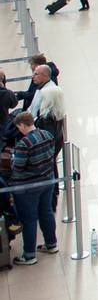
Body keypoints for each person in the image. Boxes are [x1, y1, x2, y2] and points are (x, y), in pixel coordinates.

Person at [6, 112, 58, 264]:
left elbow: (18, 168)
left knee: (29, 219)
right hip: (47, 181)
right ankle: (51, 244)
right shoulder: (48, 135)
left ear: (22, 125)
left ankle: (29, 255)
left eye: (18, 127)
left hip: (28, 188)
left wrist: (13, 160)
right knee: (46, 212)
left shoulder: (24, 144)